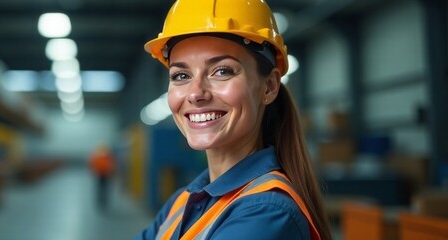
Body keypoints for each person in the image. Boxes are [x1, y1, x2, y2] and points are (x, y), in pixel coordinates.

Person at [135, 0, 332, 239]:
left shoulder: (266, 213)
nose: (196, 93)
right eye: (181, 75)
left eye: (222, 71)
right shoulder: (182, 202)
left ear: (268, 86)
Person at [89, 143, 115, 211]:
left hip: (102, 173)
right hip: (103, 173)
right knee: (103, 188)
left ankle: (101, 200)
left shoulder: (99, 156)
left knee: (101, 188)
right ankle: (102, 201)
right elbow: (93, 164)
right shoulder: (106, 156)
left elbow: (92, 164)